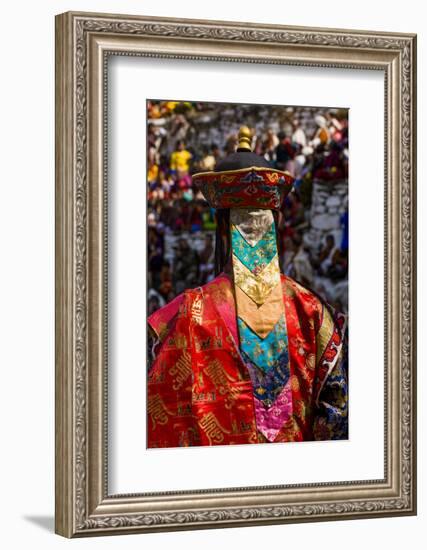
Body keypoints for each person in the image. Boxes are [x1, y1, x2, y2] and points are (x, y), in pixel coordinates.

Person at [147, 126, 348, 448]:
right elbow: (337, 421)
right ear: (278, 222)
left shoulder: (182, 316)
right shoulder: (315, 314)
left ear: (222, 229)